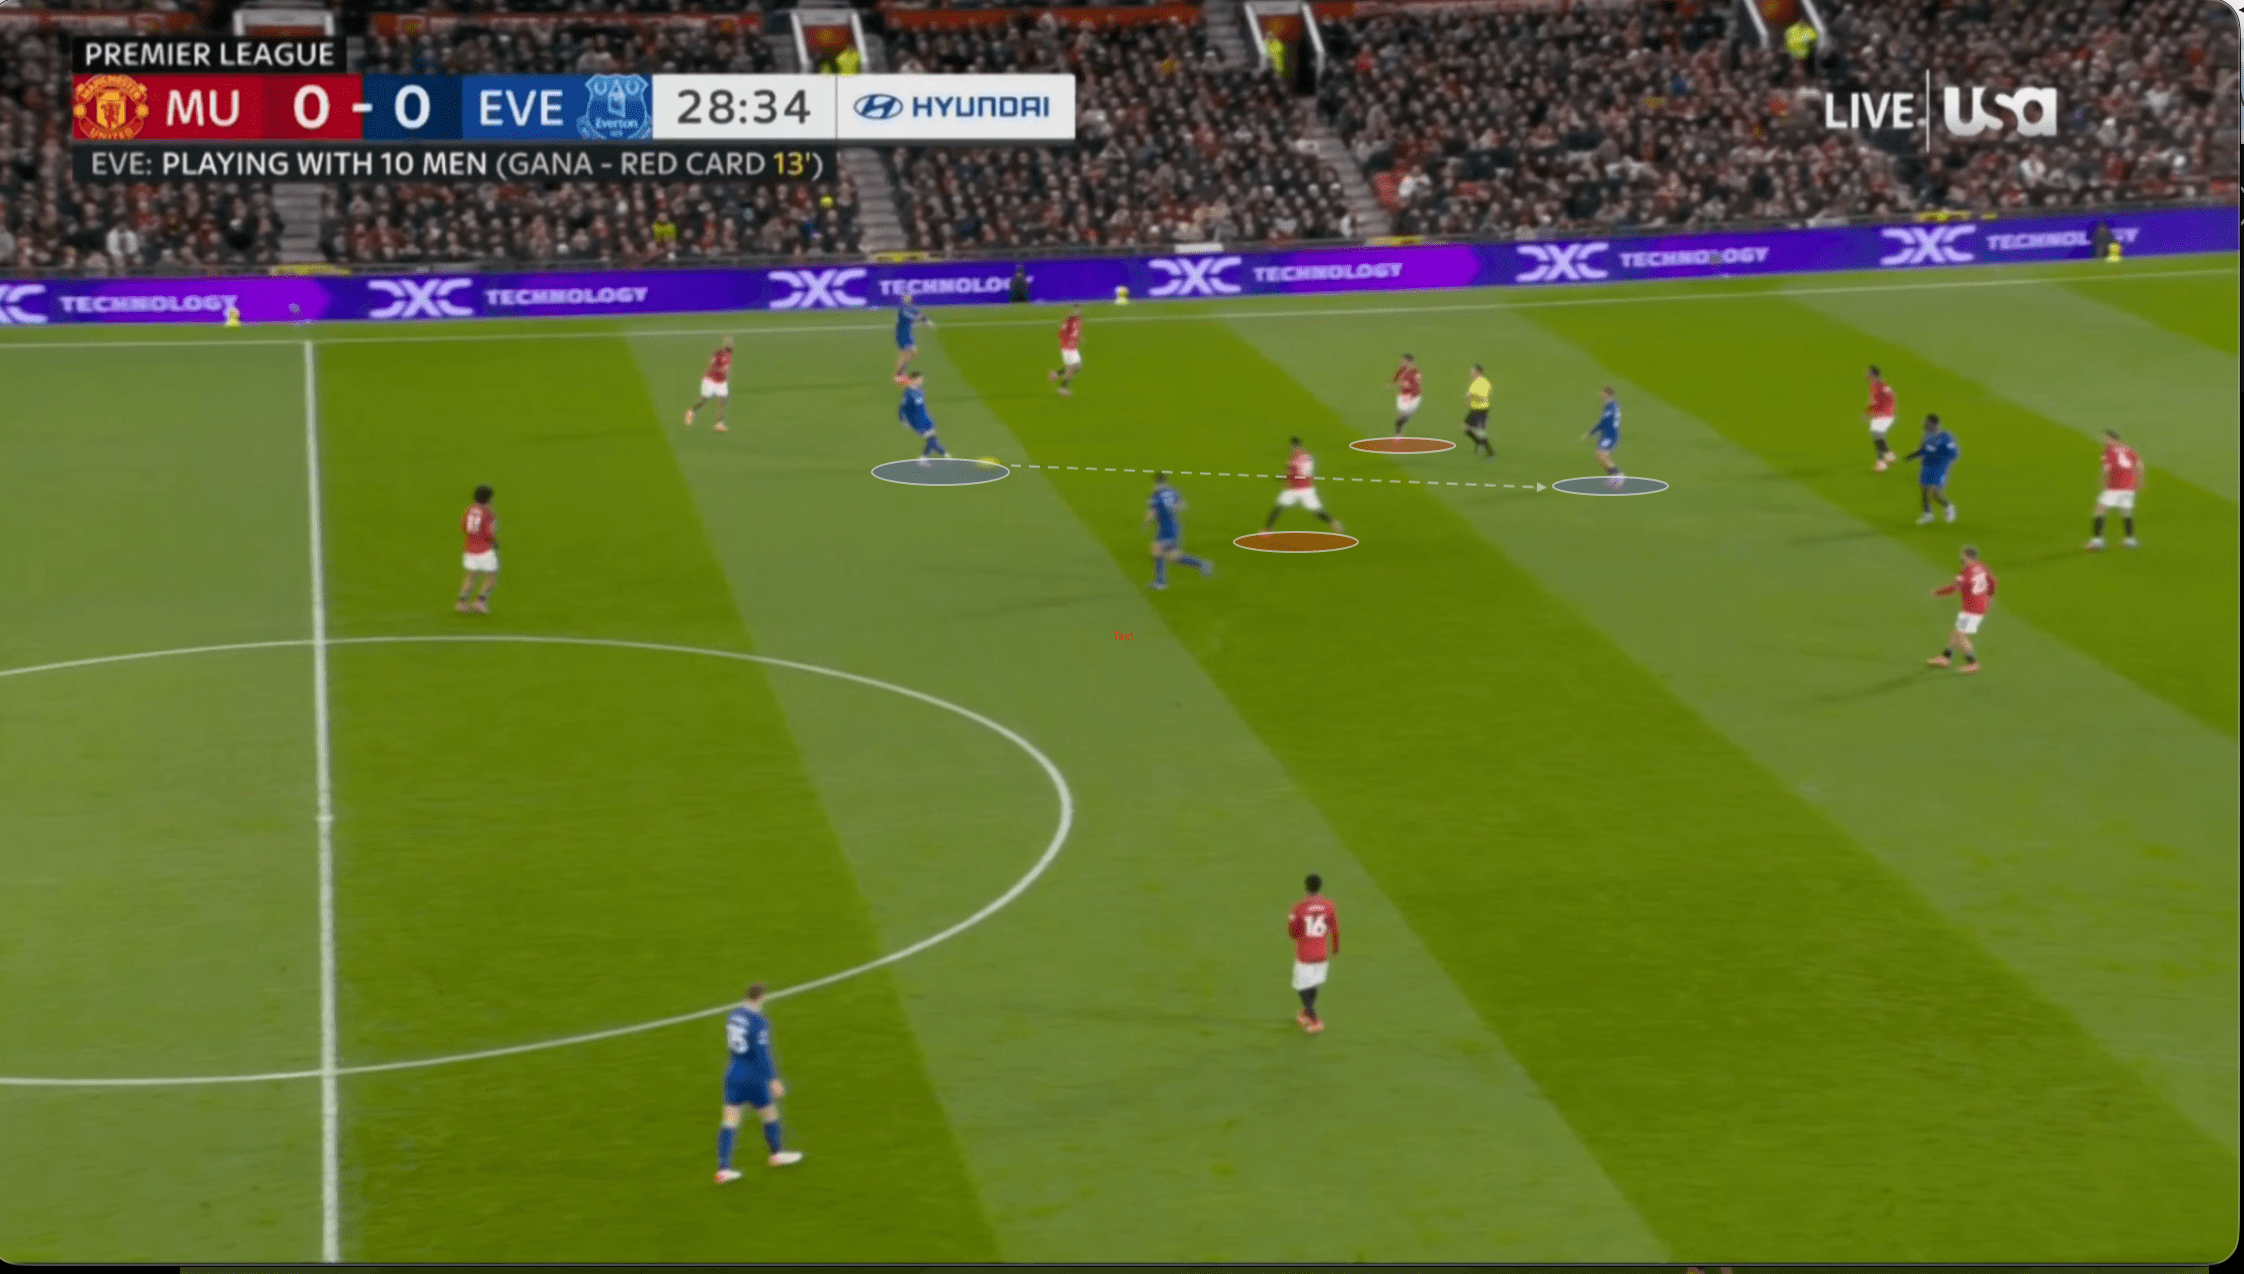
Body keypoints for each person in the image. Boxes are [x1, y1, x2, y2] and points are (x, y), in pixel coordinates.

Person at [715, 983, 804, 1182]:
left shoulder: (734, 1015)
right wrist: (774, 1080)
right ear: (761, 997)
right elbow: (763, 1054)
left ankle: (723, 1169)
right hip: (752, 1076)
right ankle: (777, 1154)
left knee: (729, 1120)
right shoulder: (759, 1022)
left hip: (733, 1072)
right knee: (769, 1114)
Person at [1927, 546, 1996, 674]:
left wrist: (1937, 592)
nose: (1960, 557)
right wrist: (1990, 597)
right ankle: (1945, 657)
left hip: (1971, 609)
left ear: (1966, 556)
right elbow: (1992, 581)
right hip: (1979, 606)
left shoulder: (1967, 572)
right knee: (1957, 631)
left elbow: (1954, 588)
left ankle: (1973, 663)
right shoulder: (1981, 566)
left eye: (1962, 555)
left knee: (1961, 636)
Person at [1287, 874, 1339, 1034]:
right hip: (1322, 953)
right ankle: (1305, 1013)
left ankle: (1315, 1019)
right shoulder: (1329, 905)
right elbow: (1335, 929)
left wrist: (1300, 936)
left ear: (1306, 886)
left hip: (1305, 954)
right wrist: (1335, 948)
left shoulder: (1299, 907)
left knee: (1302, 987)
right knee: (1313, 983)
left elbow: (1292, 931)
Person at [1144, 472, 1215, 590]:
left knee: (1156, 549)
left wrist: (1146, 522)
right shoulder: (1172, 491)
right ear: (1165, 481)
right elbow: (1182, 506)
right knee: (1175, 557)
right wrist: (1172, 510)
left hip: (1167, 529)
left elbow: (1152, 512)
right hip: (1173, 526)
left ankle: (1160, 583)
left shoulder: (1156, 495)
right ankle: (1203, 564)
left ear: (1156, 482)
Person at [1263, 437, 1344, 533]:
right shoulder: (1308, 455)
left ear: (1293, 446)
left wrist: (1281, 478)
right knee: (1316, 511)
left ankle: (1266, 529)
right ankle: (1333, 523)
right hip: (1307, 488)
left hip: (1294, 488)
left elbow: (1291, 474)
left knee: (1279, 507)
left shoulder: (1293, 459)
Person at [2086, 429, 2142, 550]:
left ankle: (2097, 541)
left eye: (2106, 438)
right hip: (2129, 487)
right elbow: (2139, 465)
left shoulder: (2108, 452)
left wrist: (2102, 481)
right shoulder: (2129, 449)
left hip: (2115, 487)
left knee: (2099, 510)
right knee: (2126, 512)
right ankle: (2130, 540)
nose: (2104, 441)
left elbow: (2106, 469)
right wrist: (2139, 481)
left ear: (2112, 439)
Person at [1903, 415, 1958, 524]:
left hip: (1939, 467)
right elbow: (1922, 449)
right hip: (1927, 465)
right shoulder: (1926, 435)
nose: (1925, 424)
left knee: (1934, 493)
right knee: (1924, 489)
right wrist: (1912, 456)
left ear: (1934, 424)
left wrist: (1938, 456)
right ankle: (1927, 515)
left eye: (1927, 423)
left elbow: (1954, 453)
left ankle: (1948, 506)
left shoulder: (1945, 437)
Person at [456, 485, 498, 614]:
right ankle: (480, 601)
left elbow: (463, 526)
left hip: (469, 548)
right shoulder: (488, 512)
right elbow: (490, 533)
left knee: (471, 576)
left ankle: (461, 602)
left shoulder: (469, 509)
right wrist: (494, 542)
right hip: (484, 550)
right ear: (489, 498)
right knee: (492, 576)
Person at [897, 372, 949, 464]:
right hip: (916, 421)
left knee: (932, 439)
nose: (921, 381)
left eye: (921, 379)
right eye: (919, 379)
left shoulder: (920, 389)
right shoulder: (908, 393)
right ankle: (934, 456)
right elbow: (902, 407)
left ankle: (943, 454)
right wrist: (902, 420)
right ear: (913, 380)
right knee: (931, 439)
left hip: (925, 418)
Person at [685, 336, 734, 433]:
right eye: (727, 344)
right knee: (704, 400)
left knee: (722, 400)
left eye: (730, 344)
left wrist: (726, 376)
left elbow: (728, 367)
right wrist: (721, 370)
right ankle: (691, 411)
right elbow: (712, 366)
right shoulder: (717, 354)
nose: (729, 345)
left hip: (721, 382)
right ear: (724, 345)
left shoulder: (730, 354)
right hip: (711, 380)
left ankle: (719, 423)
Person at [1585, 386, 1623, 487]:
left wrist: (1592, 433)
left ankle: (1618, 475)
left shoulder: (1611, 406)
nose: (1600, 394)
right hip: (1608, 434)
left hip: (1610, 435)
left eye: (1602, 392)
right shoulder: (1612, 404)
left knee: (1600, 454)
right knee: (1603, 455)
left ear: (1607, 394)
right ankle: (1613, 476)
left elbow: (1603, 422)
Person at [1864, 365, 1896, 471]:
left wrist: (1872, 414)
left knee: (1877, 435)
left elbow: (1886, 401)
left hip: (1884, 414)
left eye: (1868, 372)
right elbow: (1874, 401)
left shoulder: (1879, 386)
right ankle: (1889, 455)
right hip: (1884, 413)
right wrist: (1868, 411)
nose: (1865, 373)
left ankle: (1881, 462)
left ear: (1872, 374)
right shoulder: (1876, 384)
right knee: (1878, 435)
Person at [892, 295, 932, 381]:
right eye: (905, 298)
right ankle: (897, 375)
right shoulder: (902, 309)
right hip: (902, 334)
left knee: (913, 352)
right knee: (904, 353)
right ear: (903, 300)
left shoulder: (913, 308)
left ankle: (901, 371)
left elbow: (920, 316)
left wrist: (929, 323)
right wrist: (917, 321)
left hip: (908, 333)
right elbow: (912, 317)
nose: (907, 299)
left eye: (908, 298)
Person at [1050, 305, 1084, 396]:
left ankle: (1056, 373)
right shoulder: (1068, 320)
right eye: (1075, 310)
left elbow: (1078, 330)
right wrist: (1064, 342)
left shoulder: (1079, 319)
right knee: (1071, 367)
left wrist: (1080, 337)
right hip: (1067, 347)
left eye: (1079, 310)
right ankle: (1063, 388)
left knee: (1077, 367)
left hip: (1073, 347)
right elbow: (1061, 331)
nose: (1077, 312)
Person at [1462, 364, 1493, 457]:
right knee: (1465, 428)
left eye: (1472, 371)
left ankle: (1491, 453)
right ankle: (1479, 443)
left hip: (1480, 411)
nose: (1470, 373)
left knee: (1480, 433)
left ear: (1478, 372)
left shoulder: (1480, 383)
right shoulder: (1481, 381)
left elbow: (1481, 397)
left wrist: (1471, 396)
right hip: (1475, 410)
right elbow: (1490, 391)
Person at [1391, 354, 1422, 436]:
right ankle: (1398, 432)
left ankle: (1400, 423)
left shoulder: (1415, 373)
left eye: (1403, 361)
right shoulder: (1402, 370)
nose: (1401, 362)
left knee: (1408, 414)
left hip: (1413, 397)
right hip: (1403, 396)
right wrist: (1393, 383)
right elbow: (1397, 375)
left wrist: (1408, 386)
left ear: (1409, 362)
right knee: (1402, 412)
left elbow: (1417, 385)